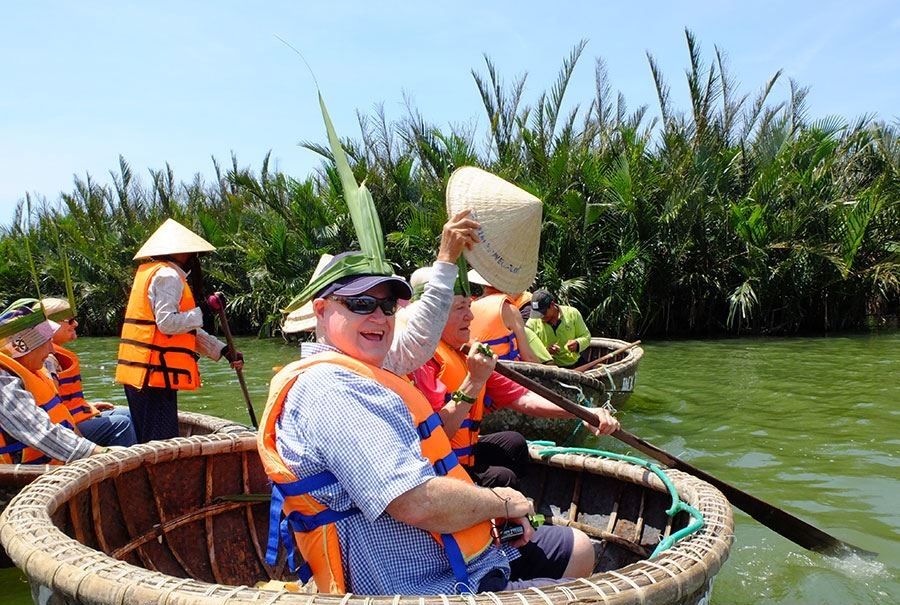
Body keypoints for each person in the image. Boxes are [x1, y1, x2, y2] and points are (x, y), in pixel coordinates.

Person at [259, 257, 599, 595]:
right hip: (427, 583)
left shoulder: (359, 373)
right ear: (320, 310)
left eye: (388, 305)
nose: (379, 316)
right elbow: (415, 502)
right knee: (582, 573)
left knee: (576, 545)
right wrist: (502, 502)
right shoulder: (334, 389)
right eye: (361, 304)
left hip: (445, 555)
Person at [409, 270, 619, 490]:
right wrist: (474, 382)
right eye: (460, 309)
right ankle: (509, 517)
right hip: (434, 468)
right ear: (432, 314)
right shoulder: (420, 360)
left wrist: (582, 412)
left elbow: (524, 397)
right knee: (503, 478)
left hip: (462, 453)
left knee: (514, 443)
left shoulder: (465, 350)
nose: (470, 317)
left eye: (469, 307)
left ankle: (514, 511)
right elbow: (436, 438)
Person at [115, 218, 244, 443]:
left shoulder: (152, 271)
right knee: (161, 445)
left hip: (144, 373)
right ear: (184, 253)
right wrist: (204, 310)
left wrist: (222, 350)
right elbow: (167, 323)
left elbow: (181, 332)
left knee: (153, 442)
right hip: (152, 376)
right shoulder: (168, 276)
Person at [0, 299, 105, 464]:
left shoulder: (34, 371)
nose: (52, 349)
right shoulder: (3, 381)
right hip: (20, 482)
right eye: (46, 341)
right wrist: (99, 453)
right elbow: (36, 430)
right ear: (22, 347)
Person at [38, 297, 137, 447]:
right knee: (121, 423)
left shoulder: (54, 355)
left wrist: (87, 406)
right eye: (70, 320)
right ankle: (123, 467)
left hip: (72, 417)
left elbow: (63, 399)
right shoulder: (46, 359)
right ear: (52, 325)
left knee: (128, 413)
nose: (76, 324)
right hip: (64, 428)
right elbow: (51, 405)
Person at [467, 271, 541, 363]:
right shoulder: (509, 310)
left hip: (475, 367)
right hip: (503, 371)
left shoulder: (470, 306)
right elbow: (528, 357)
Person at [525, 290, 592, 368]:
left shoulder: (572, 313)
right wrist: (546, 351)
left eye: (543, 313)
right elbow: (527, 348)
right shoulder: (532, 323)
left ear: (552, 304)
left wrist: (578, 343)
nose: (540, 316)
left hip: (575, 363)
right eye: (537, 313)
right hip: (548, 367)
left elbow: (586, 336)